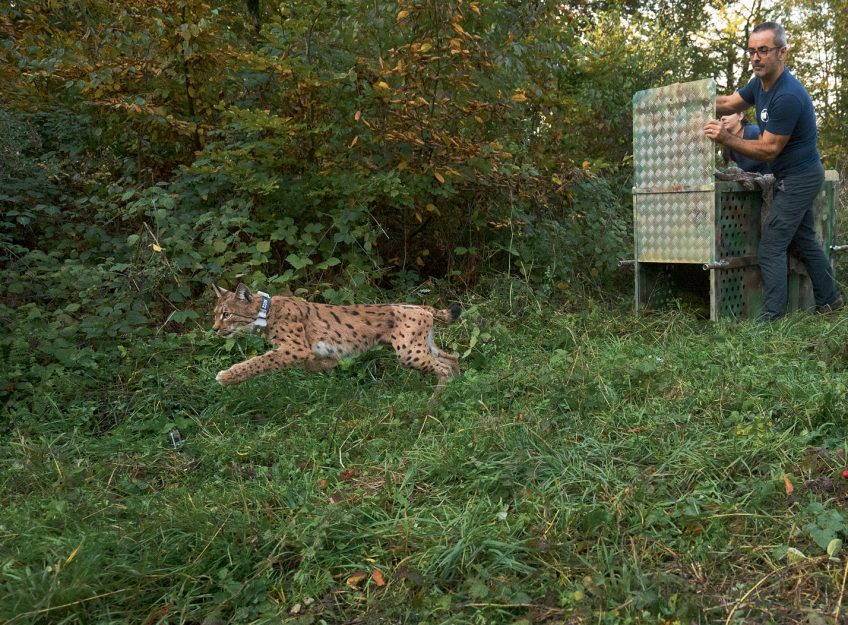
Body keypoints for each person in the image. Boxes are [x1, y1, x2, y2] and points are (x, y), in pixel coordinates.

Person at [704, 21, 843, 320]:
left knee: (771, 245)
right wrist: (694, 100)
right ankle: (830, 301)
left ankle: (772, 319)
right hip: (790, 175)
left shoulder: (787, 96)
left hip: (801, 177)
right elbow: (729, 102)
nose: (756, 57)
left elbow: (768, 149)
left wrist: (726, 138)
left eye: (763, 51)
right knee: (803, 240)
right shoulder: (759, 84)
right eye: (752, 51)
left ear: (782, 53)